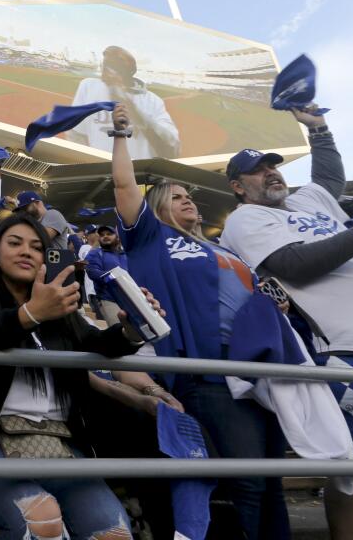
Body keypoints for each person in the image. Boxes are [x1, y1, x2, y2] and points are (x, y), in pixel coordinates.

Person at [220, 109, 353, 540]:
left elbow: (329, 177)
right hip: (347, 353)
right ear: (237, 187)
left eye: (272, 166)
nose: (270, 174)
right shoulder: (246, 219)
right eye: (257, 171)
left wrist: (317, 129)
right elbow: (294, 265)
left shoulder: (306, 199)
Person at [108, 103, 291, 539]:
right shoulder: (152, 237)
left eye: (188, 194)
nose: (187, 198)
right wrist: (121, 135)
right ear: (154, 208)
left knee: (272, 486)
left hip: (259, 369)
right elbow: (122, 184)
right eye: (175, 196)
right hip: (212, 376)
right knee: (245, 483)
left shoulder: (223, 248)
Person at [0, 213, 152, 539]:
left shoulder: (58, 302)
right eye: (14, 243)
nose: (26, 252)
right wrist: (29, 315)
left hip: (62, 446)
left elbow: (98, 345)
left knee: (114, 534)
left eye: (36, 247)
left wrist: (132, 327)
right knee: (43, 520)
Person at [69, 46, 179, 159]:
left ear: (128, 71)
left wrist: (136, 114)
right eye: (105, 65)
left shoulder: (152, 101)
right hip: (100, 170)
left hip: (135, 173)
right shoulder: (89, 86)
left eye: (112, 66)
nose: (105, 71)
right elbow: (76, 134)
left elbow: (172, 149)